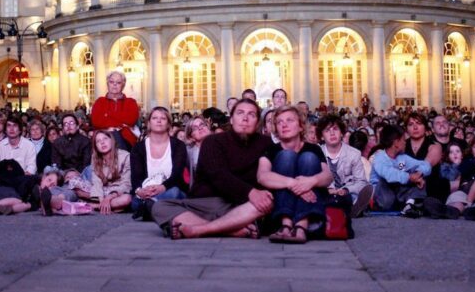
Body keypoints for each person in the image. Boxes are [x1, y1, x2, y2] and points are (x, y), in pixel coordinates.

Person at [152, 98, 273, 239]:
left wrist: (254, 195)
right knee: (159, 207)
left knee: (266, 202)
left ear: (257, 122)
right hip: (206, 203)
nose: (245, 118)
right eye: (240, 113)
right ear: (232, 119)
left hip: (241, 206)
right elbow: (218, 175)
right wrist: (250, 192)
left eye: (251, 115)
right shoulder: (213, 141)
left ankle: (200, 229)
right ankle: (231, 230)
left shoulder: (266, 143)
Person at [258, 105, 332, 243]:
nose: (284, 125)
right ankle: (285, 225)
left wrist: (311, 181)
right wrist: (294, 184)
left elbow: (327, 176)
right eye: (279, 122)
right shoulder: (271, 149)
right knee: (287, 156)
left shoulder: (313, 148)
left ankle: (301, 225)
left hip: (311, 214)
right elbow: (262, 176)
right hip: (278, 211)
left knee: (308, 158)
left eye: (289, 120)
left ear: (300, 126)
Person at [130, 106, 188, 221]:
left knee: (174, 193)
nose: (159, 120)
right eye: (155, 118)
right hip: (146, 193)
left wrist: (163, 187)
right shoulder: (138, 148)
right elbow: (136, 177)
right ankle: (155, 208)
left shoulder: (178, 146)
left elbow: (177, 175)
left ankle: (149, 208)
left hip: (169, 189)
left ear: (168, 124)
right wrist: (140, 191)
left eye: (163, 118)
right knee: (134, 201)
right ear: (149, 123)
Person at [368, 124, 430, 216]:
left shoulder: (402, 158)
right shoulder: (379, 157)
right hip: (381, 194)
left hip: (397, 192)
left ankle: (409, 205)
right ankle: (374, 205)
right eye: (404, 140)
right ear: (396, 143)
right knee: (385, 181)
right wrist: (409, 177)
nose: (406, 143)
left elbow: (425, 165)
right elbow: (389, 175)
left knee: (419, 180)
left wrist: (418, 173)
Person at [317, 113, 372, 217]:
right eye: (327, 130)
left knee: (354, 194)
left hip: (346, 191)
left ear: (342, 133)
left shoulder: (354, 153)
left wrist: (346, 190)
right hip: (326, 192)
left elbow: (361, 181)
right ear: (322, 136)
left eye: (335, 129)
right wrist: (329, 190)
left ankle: (353, 206)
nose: (332, 133)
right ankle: (346, 209)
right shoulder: (316, 152)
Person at [90, 70, 140, 149]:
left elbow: (131, 120)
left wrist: (108, 115)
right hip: (103, 136)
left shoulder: (131, 102)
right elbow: (96, 122)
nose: (114, 84)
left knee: (116, 136)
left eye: (118, 82)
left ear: (123, 85)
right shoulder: (100, 101)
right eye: (111, 82)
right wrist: (121, 124)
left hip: (124, 139)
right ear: (107, 84)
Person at [89, 130, 132, 214]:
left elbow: (126, 183)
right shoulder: (94, 157)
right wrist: (101, 199)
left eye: (105, 139)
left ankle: (94, 205)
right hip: (102, 190)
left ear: (111, 140)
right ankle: (106, 206)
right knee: (74, 183)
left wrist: (109, 197)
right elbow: (96, 181)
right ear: (96, 146)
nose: (102, 143)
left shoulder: (125, 156)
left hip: (118, 191)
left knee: (127, 199)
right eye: (98, 141)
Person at [183, 115, 212, 187]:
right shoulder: (187, 152)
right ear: (191, 137)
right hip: (200, 190)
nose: (200, 128)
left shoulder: (221, 144)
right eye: (195, 128)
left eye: (202, 124)